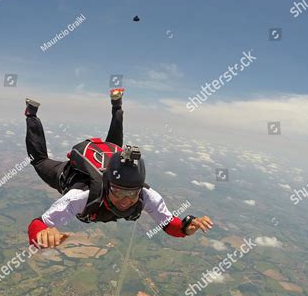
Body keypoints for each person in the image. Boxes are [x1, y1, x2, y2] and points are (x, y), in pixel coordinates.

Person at [25, 89, 213, 248]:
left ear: (140, 189)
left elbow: (169, 223)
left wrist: (186, 228)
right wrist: (41, 235)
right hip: (68, 174)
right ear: (107, 185)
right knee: (39, 161)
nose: (125, 201)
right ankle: (31, 114)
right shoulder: (81, 196)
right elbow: (38, 224)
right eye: (118, 192)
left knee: (115, 147)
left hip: (109, 164)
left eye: (131, 194)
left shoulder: (147, 195)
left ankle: (117, 107)